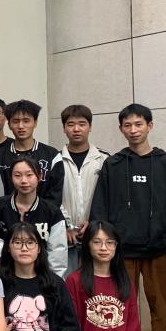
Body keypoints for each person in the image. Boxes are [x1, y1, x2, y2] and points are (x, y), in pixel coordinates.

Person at [90, 103, 166, 331]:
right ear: (121, 129)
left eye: (138, 124)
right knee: (121, 308)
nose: (133, 130)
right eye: (128, 125)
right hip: (123, 251)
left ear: (150, 126)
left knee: (163, 308)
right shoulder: (113, 164)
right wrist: (102, 244)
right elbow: (100, 207)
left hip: (161, 248)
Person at [0, 156, 67, 276]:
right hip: (3, 275)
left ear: (40, 176)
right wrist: (16, 254)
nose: (24, 181)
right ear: (11, 177)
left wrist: (53, 281)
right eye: (17, 175)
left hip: (39, 276)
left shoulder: (52, 212)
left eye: (29, 175)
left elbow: (57, 253)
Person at [59, 104, 108, 276]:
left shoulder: (105, 159)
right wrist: (65, 225)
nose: (76, 129)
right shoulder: (55, 160)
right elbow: (51, 197)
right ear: (64, 128)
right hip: (65, 238)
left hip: (96, 235)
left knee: (95, 284)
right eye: (71, 124)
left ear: (90, 127)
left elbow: (109, 198)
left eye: (82, 124)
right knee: (67, 285)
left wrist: (95, 222)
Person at [0, 99, 64, 207]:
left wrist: (37, 213)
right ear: (9, 124)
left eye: (26, 121)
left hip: (44, 215)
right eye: (16, 121)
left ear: (35, 123)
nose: (21, 126)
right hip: (6, 215)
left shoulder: (52, 155)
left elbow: (56, 195)